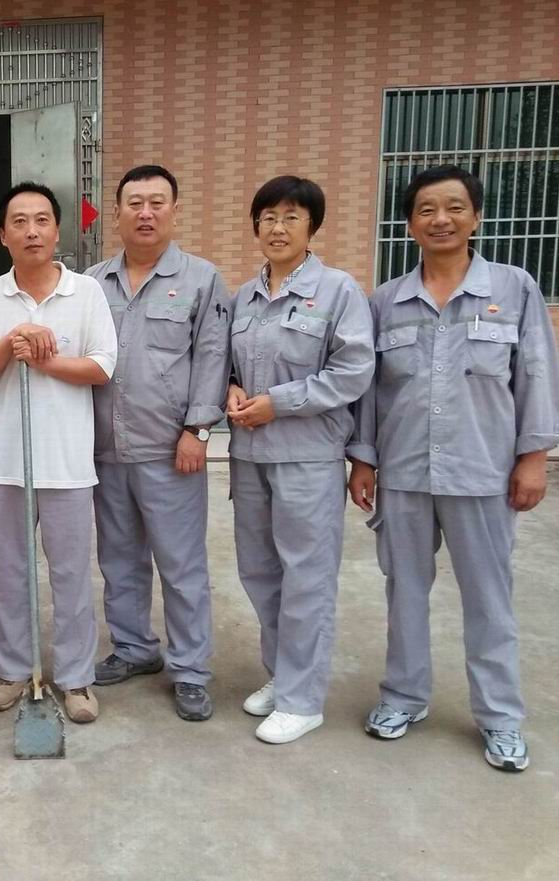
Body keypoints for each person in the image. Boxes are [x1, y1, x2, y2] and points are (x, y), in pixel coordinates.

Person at [348, 165, 559, 772]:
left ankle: (499, 717)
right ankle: (403, 696)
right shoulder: (386, 301)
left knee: (489, 598)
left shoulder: (515, 288)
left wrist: (534, 458)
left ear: (476, 217)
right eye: (426, 210)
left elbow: (536, 372)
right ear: (409, 224)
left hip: (482, 472)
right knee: (404, 591)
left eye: (454, 208)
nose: (441, 219)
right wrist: (363, 459)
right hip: (405, 473)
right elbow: (370, 392)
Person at [227, 176, 374, 743]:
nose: (278, 228)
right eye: (267, 217)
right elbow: (232, 367)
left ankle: (303, 699)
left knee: (306, 577)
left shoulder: (338, 291)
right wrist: (231, 390)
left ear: (313, 226)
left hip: (308, 457)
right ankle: (282, 675)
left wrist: (279, 403)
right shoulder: (244, 297)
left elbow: (352, 372)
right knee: (260, 572)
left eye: (291, 217)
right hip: (250, 456)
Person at [0, 182, 116, 723]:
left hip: (68, 463)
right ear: (2, 235)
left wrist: (44, 360)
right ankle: (14, 670)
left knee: (71, 575)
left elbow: (102, 366)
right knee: (10, 572)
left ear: (57, 230)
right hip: (6, 462)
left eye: (42, 220)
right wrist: (12, 342)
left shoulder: (86, 292)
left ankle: (75, 679)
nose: (32, 231)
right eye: (20, 222)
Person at [87, 165, 230, 721]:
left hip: (172, 451)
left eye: (156, 202)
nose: (145, 213)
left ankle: (190, 669)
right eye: (134, 203)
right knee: (119, 559)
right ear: (116, 212)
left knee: (181, 564)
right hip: (105, 449)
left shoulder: (201, 279)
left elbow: (213, 356)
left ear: (174, 210)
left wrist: (198, 429)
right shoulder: (92, 282)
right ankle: (133, 648)